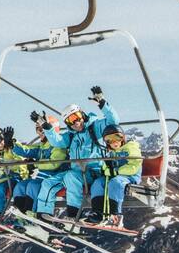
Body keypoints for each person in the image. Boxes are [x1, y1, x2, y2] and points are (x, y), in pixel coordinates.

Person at [33, 85, 120, 221]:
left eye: (76, 117)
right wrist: (46, 127)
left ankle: (74, 214)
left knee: (71, 177)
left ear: (82, 114)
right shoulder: (71, 135)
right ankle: (43, 216)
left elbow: (113, 121)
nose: (75, 122)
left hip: (92, 172)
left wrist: (102, 103)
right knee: (48, 183)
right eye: (69, 120)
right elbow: (57, 142)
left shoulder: (95, 128)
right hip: (76, 172)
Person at [85, 124, 142, 227]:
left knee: (115, 182)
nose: (114, 142)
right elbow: (106, 167)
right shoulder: (110, 153)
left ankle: (115, 216)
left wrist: (116, 171)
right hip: (114, 177)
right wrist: (107, 169)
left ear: (123, 137)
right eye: (109, 140)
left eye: (117, 137)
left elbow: (134, 165)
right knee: (98, 183)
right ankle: (97, 213)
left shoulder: (130, 147)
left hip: (130, 176)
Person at [10, 115, 69, 214]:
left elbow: (54, 164)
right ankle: (21, 212)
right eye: (37, 130)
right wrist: (12, 145)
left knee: (33, 186)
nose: (39, 133)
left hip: (55, 177)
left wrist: (36, 164)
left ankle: (32, 212)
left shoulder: (58, 145)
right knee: (21, 186)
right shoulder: (42, 146)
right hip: (42, 178)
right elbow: (27, 150)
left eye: (42, 130)